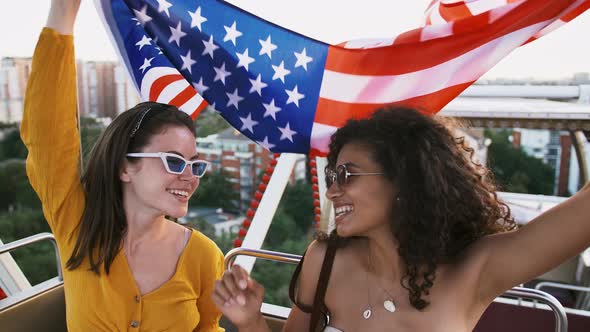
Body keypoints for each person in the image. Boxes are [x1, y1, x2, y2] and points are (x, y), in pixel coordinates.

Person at [212, 107, 590, 331]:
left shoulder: (475, 267)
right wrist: (250, 323)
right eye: (331, 177)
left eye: (347, 175)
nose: (331, 191)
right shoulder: (323, 260)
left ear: (404, 182)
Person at [21, 1, 224, 331]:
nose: (189, 177)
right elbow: (48, 135)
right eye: (174, 161)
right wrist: (64, 11)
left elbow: (209, 328)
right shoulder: (76, 223)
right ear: (125, 168)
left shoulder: (204, 256)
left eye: (194, 164)